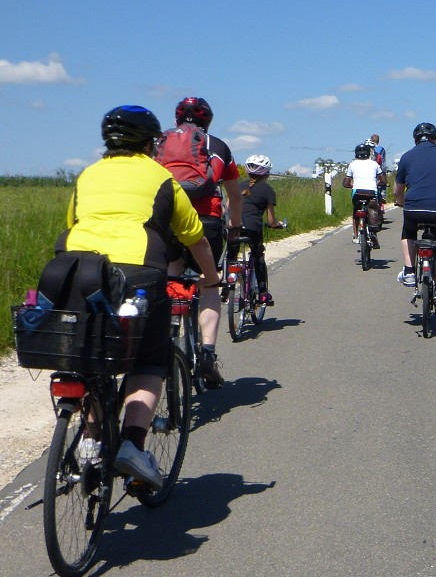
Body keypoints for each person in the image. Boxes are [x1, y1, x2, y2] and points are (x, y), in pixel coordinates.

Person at [60, 105, 219, 488]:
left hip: (78, 270)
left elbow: (72, 224)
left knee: (91, 354)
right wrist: (211, 278)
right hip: (139, 272)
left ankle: (90, 441)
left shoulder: (87, 175)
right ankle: (133, 445)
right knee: (149, 358)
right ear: (151, 143)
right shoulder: (160, 178)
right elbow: (193, 236)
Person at [163, 97, 243, 389]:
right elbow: (235, 195)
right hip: (206, 221)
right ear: (208, 121)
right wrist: (235, 225)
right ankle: (207, 351)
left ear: (176, 121)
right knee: (210, 282)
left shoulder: (162, 143)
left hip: (167, 219)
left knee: (173, 274)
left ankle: (168, 335)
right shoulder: (219, 147)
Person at [393, 122, 436, 312]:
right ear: (435, 138)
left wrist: (401, 202)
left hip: (414, 208)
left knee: (408, 231)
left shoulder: (407, 156)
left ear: (415, 139)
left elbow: (398, 189)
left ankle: (409, 272)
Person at [227, 154, 284, 306]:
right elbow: (271, 221)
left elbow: (227, 207)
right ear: (266, 174)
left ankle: (227, 287)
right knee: (258, 255)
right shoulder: (267, 190)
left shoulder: (239, 186)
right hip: (253, 228)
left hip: (233, 226)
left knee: (231, 256)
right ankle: (263, 293)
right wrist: (278, 224)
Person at [344, 143, 385, 250]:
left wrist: (350, 185)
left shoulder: (352, 164)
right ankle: (373, 234)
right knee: (374, 211)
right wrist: (378, 183)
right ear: (369, 153)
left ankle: (356, 235)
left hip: (357, 192)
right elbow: (383, 180)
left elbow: (346, 182)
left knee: (355, 212)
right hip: (371, 192)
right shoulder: (375, 164)